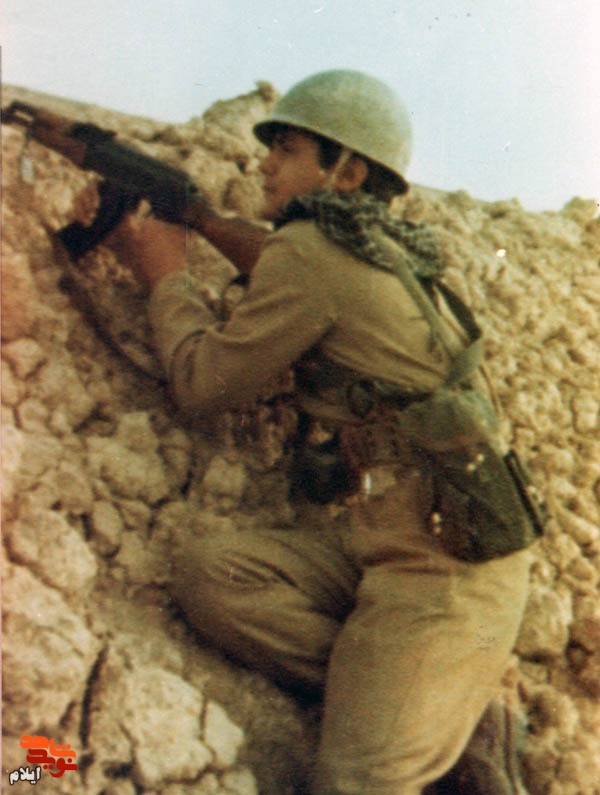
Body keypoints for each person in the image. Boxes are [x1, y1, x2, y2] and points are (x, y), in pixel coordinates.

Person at [108, 70, 532, 794]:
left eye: (289, 150)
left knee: (352, 781)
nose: (265, 164)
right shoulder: (385, 251)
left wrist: (166, 274)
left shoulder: (313, 251)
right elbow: (292, 271)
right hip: (395, 543)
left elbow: (203, 383)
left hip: (444, 575)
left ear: (349, 171)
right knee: (215, 577)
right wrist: (206, 222)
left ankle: (429, 710)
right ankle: (444, 712)